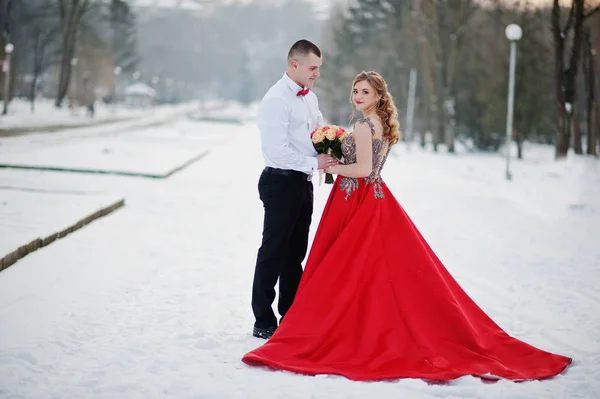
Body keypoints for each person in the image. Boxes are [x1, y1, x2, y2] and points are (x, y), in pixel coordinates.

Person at [242, 71, 572, 382]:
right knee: (366, 272)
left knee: (343, 269)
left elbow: (362, 170)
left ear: (378, 95)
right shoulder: (379, 121)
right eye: (355, 90)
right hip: (373, 196)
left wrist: (333, 165)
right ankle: (357, 322)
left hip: (354, 197)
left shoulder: (362, 125)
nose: (357, 96)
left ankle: (339, 326)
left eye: (365, 92)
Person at [251, 40, 339, 340]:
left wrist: (332, 146)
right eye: (313, 68)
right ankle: (263, 318)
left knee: (295, 254)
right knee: (273, 251)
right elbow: (277, 150)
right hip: (279, 181)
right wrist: (315, 162)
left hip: (302, 182)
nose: (316, 73)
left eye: (319, 68)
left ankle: (289, 314)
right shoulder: (276, 99)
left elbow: (317, 132)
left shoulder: (310, 98)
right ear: (294, 64)